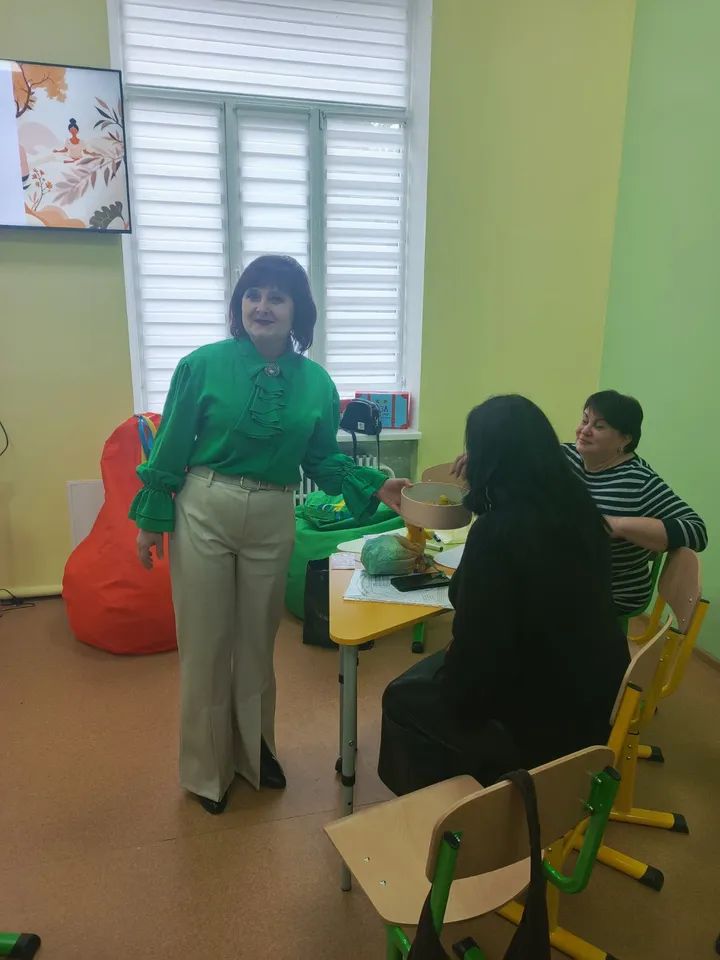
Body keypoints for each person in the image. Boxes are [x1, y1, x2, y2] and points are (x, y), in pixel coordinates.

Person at [131, 255, 409, 815]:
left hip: (274, 511)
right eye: (252, 294)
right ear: (239, 304)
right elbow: (172, 445)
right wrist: (151, 519)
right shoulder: (201, 366)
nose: (262, 306)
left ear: (296, 311)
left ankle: (255, 754)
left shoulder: (317, 383)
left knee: (258, 643)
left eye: (276, 297)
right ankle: (207, 770)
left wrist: (376, 485)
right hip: (205, 505)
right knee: (206, 644)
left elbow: (322, 459)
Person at [378, 395, 629, 797]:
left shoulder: (498, 534)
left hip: (544, 718)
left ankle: (451, 810)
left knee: (401, 696)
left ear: (488, 462)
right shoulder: (578, 507)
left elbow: (477, 651)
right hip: (596, 694)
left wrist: (456, 696)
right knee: (433, 675)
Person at [565, 391, 707, 615]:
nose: (584, 430)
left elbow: (697, 532)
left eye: (599, 426)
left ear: (625, 439)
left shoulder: (639, 482)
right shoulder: (564, 456)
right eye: (584, 420)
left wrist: (617, 524)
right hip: (564, 574)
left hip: (607, 591)